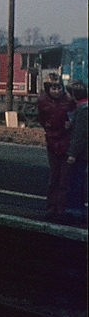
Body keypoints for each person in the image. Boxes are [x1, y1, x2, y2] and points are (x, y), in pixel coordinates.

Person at [37, 74, 74, 218]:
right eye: (53, 88)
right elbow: (41, 119)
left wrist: (70, 126)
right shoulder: (42, 101)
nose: (57, 91)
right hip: (52, 140)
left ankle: (61, 207)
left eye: (58, 87)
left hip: (66, 140)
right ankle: (51, 206)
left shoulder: (69, 100)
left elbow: (74, 116)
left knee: (64, 178)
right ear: (48, 89)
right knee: (54, 176)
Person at [66, 79, 88, 221]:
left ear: (73, 94)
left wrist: (72, 154)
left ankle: (75, 210)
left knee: (76, 180)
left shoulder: (82, 109)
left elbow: (80, 134)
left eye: (68, 93)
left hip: (82, 153)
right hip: (84, 152)